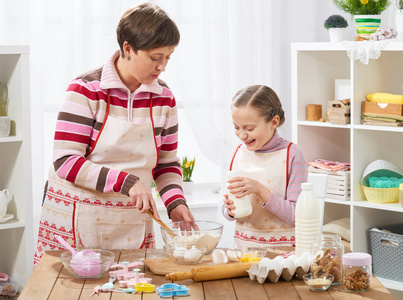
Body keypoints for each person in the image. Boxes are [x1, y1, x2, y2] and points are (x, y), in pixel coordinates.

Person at [34, 3, 196, 264]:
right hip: (79, 217)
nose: (163, 67)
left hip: (132, 222)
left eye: (168, 57)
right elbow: (65, 161)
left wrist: (175, 203)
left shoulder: (164, 98)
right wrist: (127, 182)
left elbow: (166, 163)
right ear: (128, 48)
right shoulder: (86, 90)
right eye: (156, 58)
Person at [222, 85, 308, 248]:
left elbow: (297, 217)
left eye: (249, 128)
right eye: (236, 127)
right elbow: (228, 211)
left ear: (274, 122)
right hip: (243, 252)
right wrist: (229, 209)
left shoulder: (292, 154)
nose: (242, 135)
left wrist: (260, 190)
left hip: (283, 256)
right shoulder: (236, 154)